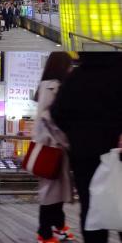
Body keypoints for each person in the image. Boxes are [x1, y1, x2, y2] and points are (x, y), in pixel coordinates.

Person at [51, 53, 122, 243]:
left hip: (84, 153)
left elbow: (56, 113)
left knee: (90, 207)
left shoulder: (75, 78)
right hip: (118, 151)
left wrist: (76, 134)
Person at [33, 52, 75, 243]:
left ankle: (58, 226)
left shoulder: (48, 85)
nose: (70, 68)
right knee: (50, 193)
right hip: (52, 147)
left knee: (54, 192)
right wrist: (65, 140)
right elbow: (48, 117)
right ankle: (45, 232)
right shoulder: (52, 86)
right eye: (69, 65)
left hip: (52, 147)